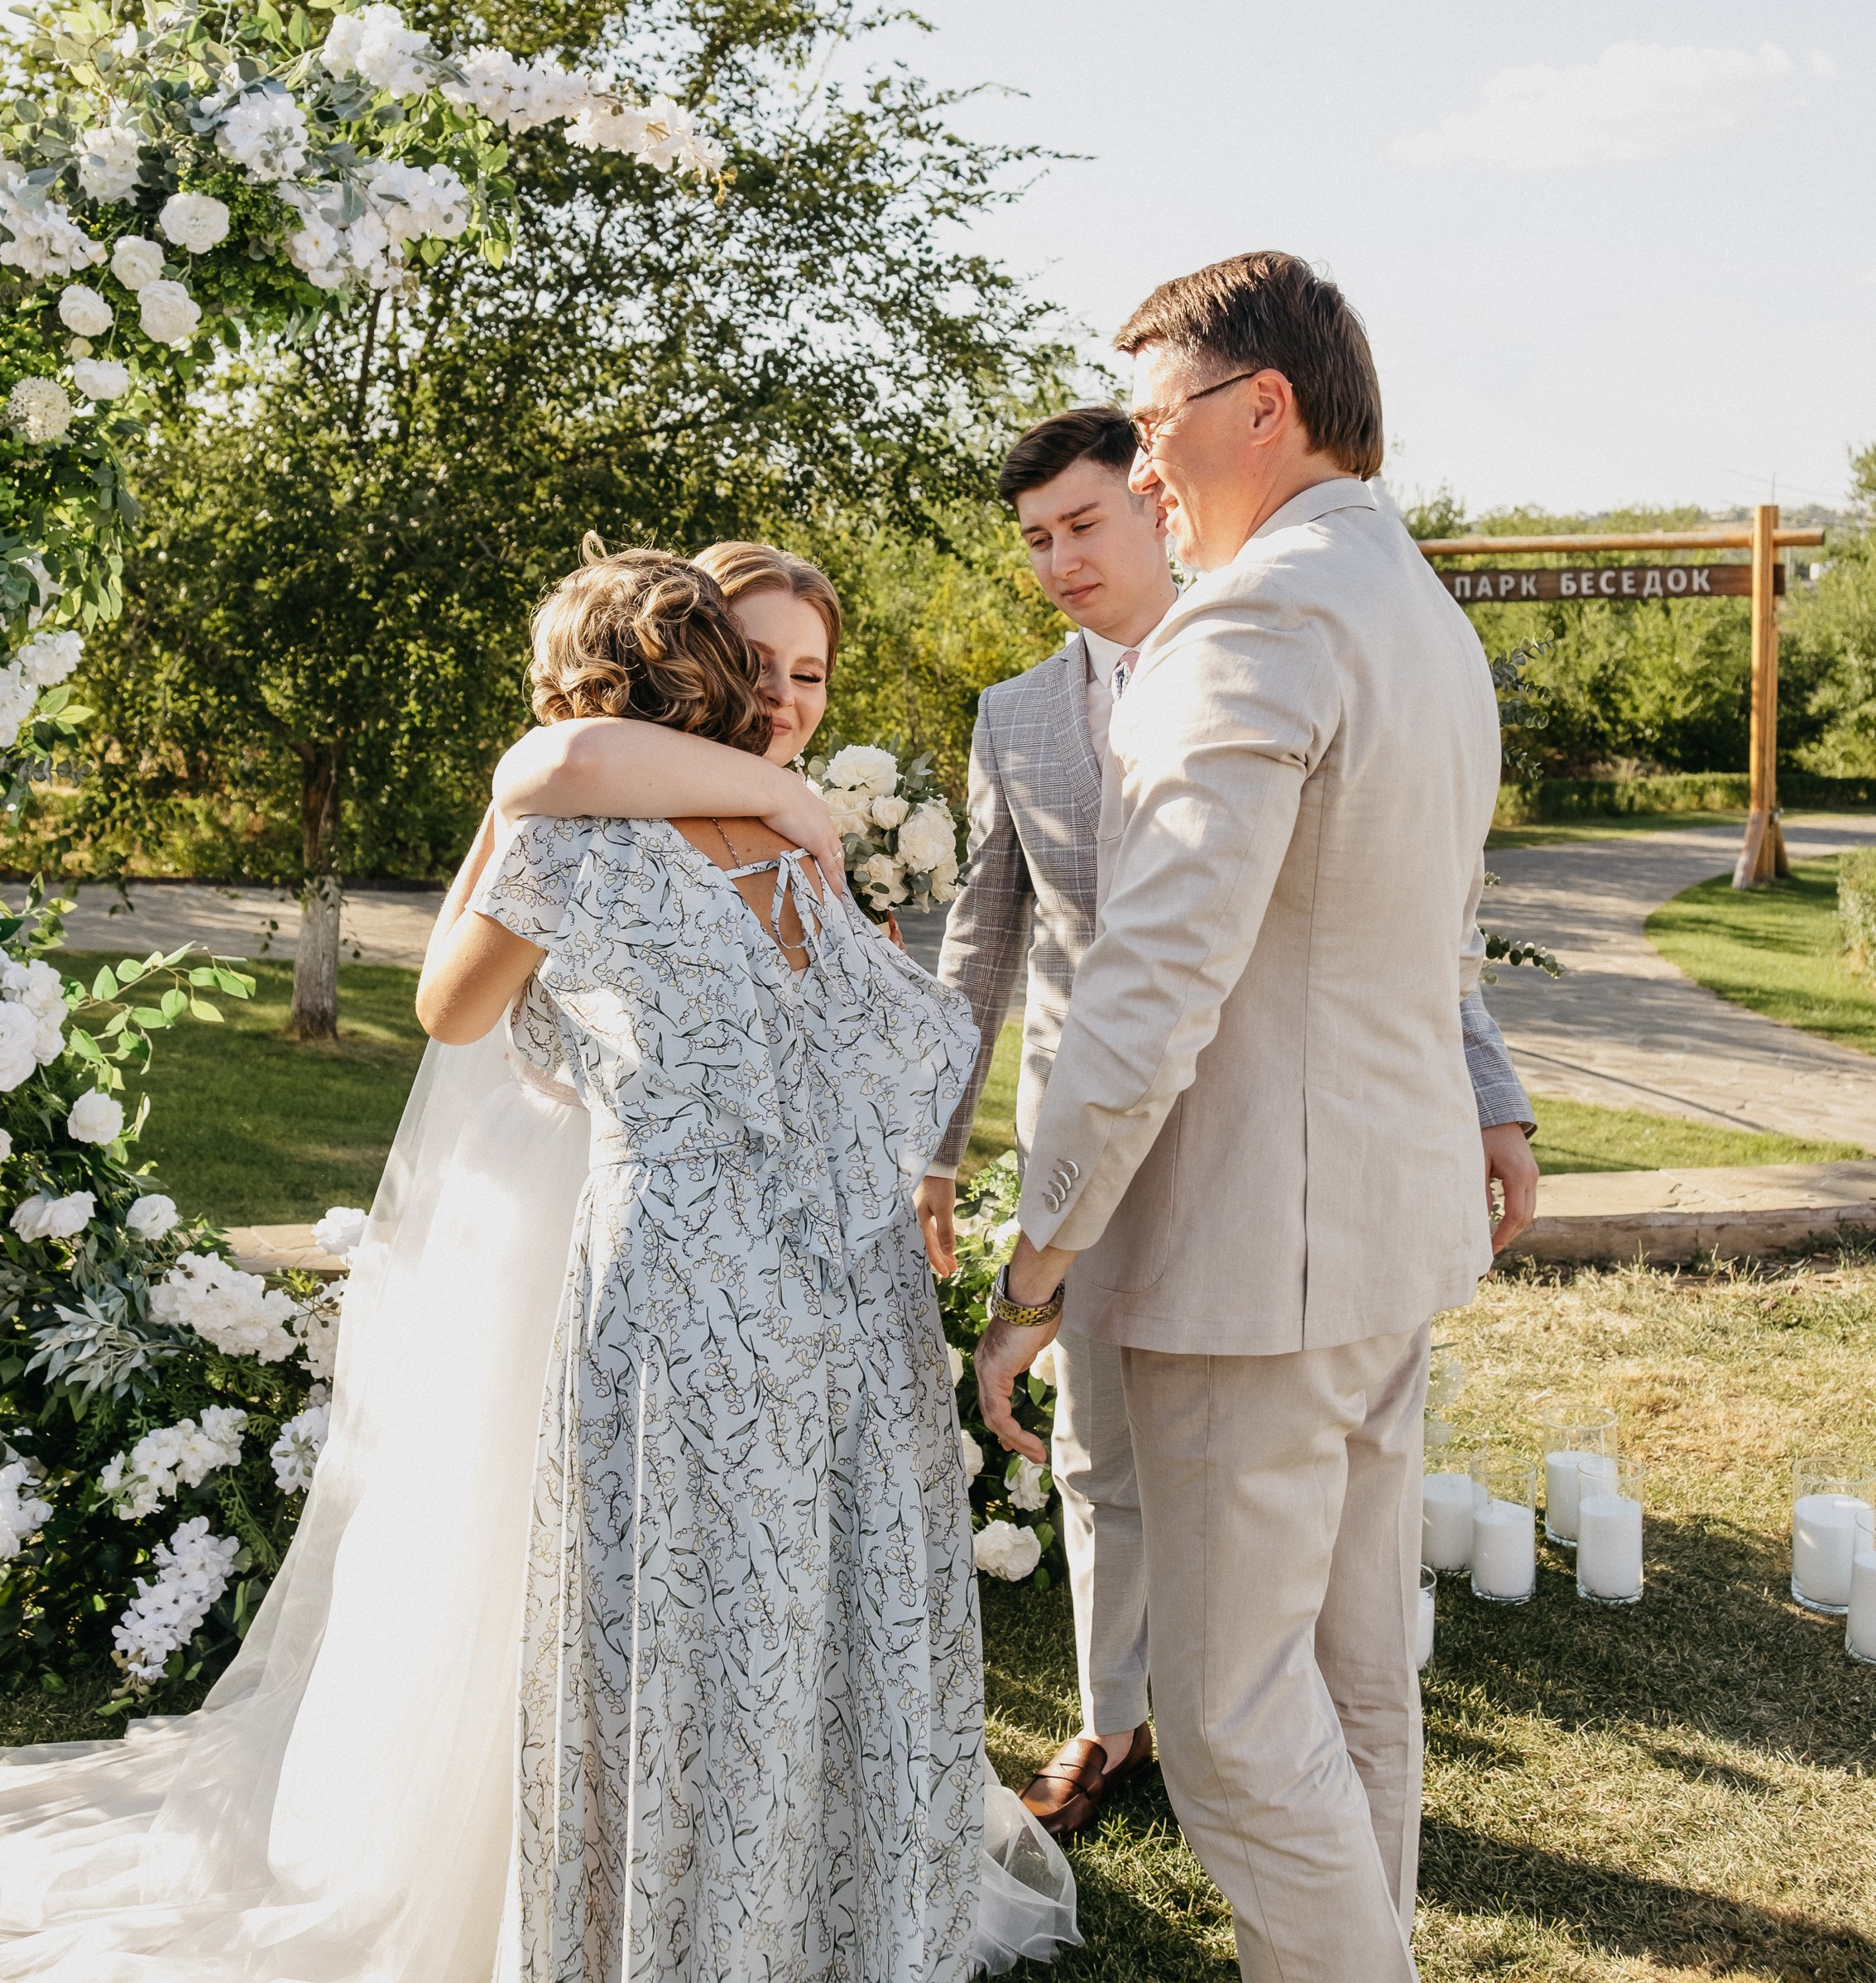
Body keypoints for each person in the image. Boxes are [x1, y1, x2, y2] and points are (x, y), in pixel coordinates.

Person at [0, 540, 1075, 1981]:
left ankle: (655, 1925)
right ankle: (824, 1904)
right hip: (839, 1289)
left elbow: (449, 1010)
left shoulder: (567, 843)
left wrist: (499, 857)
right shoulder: (804, 860)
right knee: (806, 1594)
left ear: (591, 689)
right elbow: (906, 1064)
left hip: (675, 1281)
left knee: (663, 1613)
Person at [974, 253, 1504, 1983]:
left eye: (1151, 424)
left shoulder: (1256, 614)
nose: (1137, 472)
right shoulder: (1419, 608)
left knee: (1221, 1717)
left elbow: (1153, 983)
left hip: (1248, 1268)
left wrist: (1040, 1257)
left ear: (1260, 407)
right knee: (1354, 1675)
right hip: (1380, 1246)